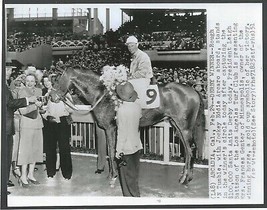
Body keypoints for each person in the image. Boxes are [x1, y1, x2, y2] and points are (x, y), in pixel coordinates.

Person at [5, 66, 37, 194]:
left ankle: (5, 181)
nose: (10, 72)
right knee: (6, 155)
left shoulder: (5, 85)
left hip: (8, 126)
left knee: (7, 155)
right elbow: (10, 104)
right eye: (7, 70)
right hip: (6, 126)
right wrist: (28, 100)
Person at [42, 75, 73, 180]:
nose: (55, 83)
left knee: (64, 148)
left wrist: (64, 100)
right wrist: (47, 116)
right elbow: (42, 109)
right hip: (50, 122)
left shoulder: (66, 94)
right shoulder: (47, 94)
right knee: (50, 148)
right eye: (53, 81)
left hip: (63, 122)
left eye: (57, 81)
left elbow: (71, 109)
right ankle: (50, 172)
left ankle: (67, 174)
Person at [115, 82, 142, 197]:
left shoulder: (121, 110)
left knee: (126, 182)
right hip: (137, 145)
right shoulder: (137, 106)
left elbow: (122, 133)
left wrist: (118, 151)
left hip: (126, 149)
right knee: (134, 177)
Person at [17, 73, 44, 187]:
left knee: (35, 150)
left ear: (35, 82)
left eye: (32, 81)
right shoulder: (22, 92)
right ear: (25, 81)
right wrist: (36, 106)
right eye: (28, 81)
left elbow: (41, 109)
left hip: (38, 123)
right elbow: (22, 111)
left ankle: (31, 175)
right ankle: (23, 176)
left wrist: (42, 106)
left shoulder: (39, 91)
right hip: (27, 124)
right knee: (25, 151)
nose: (30, 83)